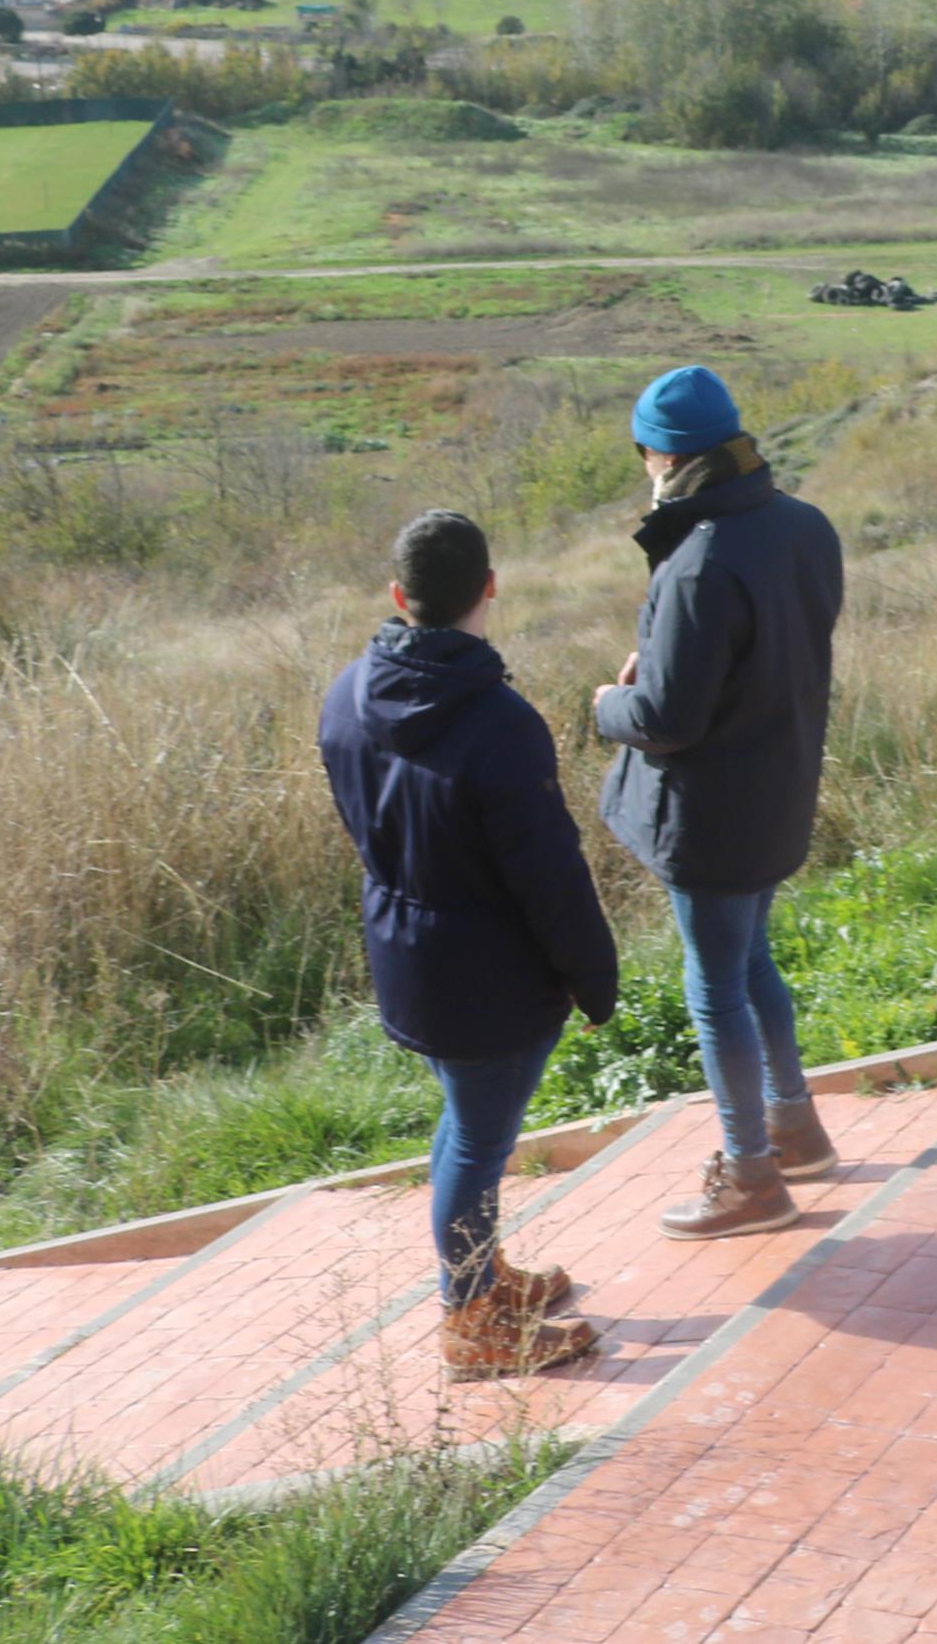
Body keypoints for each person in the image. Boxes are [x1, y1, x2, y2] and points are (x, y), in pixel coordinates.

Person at [317, 509, 621, 1380]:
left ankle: (482, 1279)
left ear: (397, 596)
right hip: (492, 975)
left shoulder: (346, 693)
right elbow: (549, 875)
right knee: (477, 1141)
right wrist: (592, 976)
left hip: (406, 950)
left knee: (467, 1124)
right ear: (489, 586)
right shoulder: (500, 722)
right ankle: (469, 1320)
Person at [590, 364, 849, 1241]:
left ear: (659, 453)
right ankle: (797, 1129)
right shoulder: (804, 526)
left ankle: (750, 1176)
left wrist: (605, 705)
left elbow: (666, 717)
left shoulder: (698, 560)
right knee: (752, 963)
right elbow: (768, 652)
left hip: (711, 814)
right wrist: (660, 667)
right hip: (780, 787)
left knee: (716, 990)